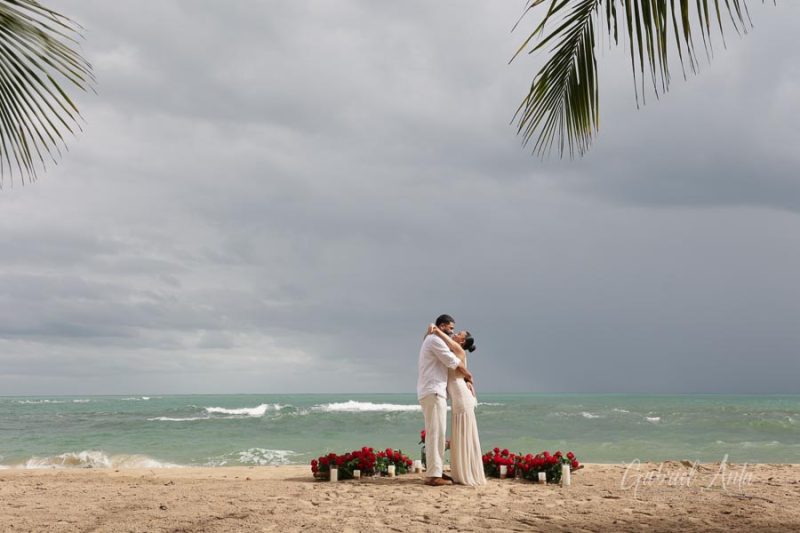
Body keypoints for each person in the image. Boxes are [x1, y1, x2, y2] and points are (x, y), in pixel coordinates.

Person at [417, 314, 473, 486]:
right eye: (450, 328)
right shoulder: (435, 340)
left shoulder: (433, 339)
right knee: (436, 433)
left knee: (436, 433)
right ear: (441, 326)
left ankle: (436, 471)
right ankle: (434, 476)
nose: (452, 332)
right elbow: (452, 362)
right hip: (434, 391)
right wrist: (469, 377)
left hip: (432, 391)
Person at [428, 324, 486, 486]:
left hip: (462, 397)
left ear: (462, 341)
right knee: (460, 435)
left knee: (464, 434)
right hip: (458, 398)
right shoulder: (453, 352)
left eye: (459, 333)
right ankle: (462, 472)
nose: (455, 333)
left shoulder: (459, 350)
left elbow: (448, 341)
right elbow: (461, 370)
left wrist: (437, 330)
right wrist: (469, 380)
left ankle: (468, 473)